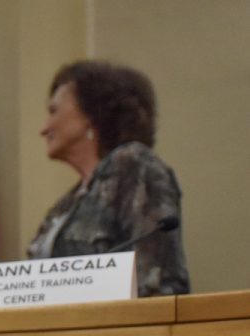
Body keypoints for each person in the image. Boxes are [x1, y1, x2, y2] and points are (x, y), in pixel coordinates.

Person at [27, 60, 190, 296]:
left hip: (120, 331)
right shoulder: (64, 207)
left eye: (54, 111)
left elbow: (160, 281)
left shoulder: (133, 166)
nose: (44, 128)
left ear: (90, 114)